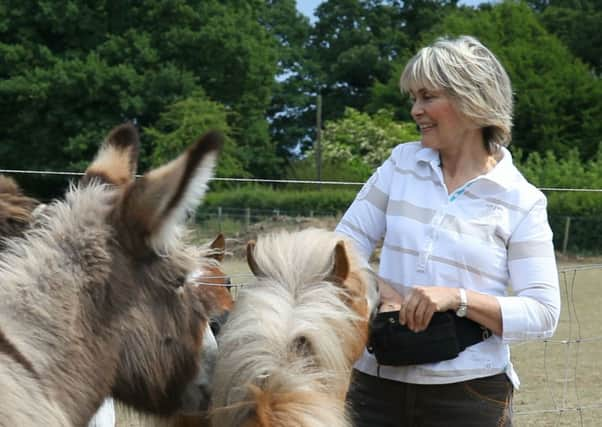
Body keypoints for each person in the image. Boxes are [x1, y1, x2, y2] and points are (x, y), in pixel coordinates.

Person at [336, 35, 561, 426]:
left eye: (427, 97)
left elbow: (543, 313)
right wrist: (377, 290)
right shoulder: (401, 164)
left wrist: (456, 298)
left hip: (468, 397)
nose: (415, 110)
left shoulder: (521, 200)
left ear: (471, 99)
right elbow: (341, 248)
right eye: (413, 98)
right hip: (374, 388)